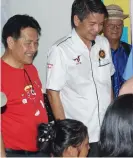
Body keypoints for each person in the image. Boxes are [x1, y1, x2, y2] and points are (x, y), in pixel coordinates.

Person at [46, 0, 114, 156]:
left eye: (101, 24)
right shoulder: (60, 50)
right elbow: (52, 93)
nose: (97, 29)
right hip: (80, 139)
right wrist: (67, 136)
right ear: (77, 20)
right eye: (92, 24)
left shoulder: (103, 43)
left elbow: (107, 83)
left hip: (106, 132)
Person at [1, 14, 48, 157]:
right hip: (14, 153)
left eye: (36, 43)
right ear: (10, 42)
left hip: (41, 150)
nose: (33, 49)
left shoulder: (31, 69)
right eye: (28, 43)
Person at [103, 4, 131, 98]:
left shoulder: (131, 51)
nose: (115, 28)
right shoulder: (94, 50)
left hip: (126, 106)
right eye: (111, 25)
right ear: (102, 26)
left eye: (119, 25)